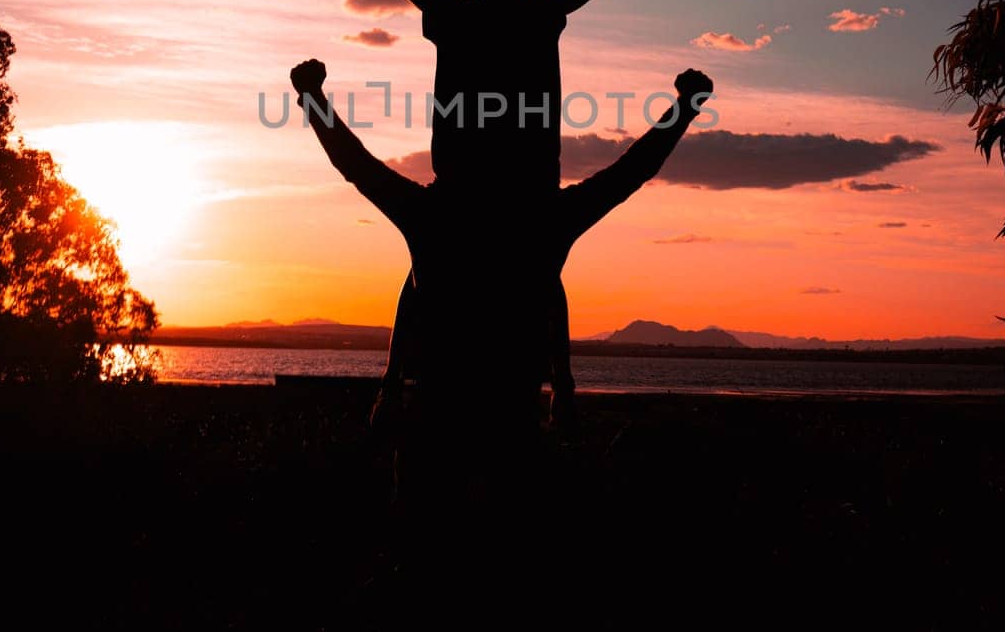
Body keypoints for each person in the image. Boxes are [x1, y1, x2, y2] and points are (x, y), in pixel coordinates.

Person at [339, 0, 675, 424]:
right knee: (542, 277)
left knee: (422, 276)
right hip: (523, 186)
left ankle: (392, 381)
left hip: (469, 186)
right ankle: (561, 385)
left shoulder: (457, 13)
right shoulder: (538, 13)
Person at [288, 58, 713, 454]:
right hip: (500, 413)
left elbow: (356, 165)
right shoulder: (538, 219)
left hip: (449, 413)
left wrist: (313, 98)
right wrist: (683, 109)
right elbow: (630, 172)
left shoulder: (436, 215)